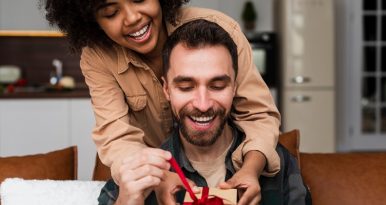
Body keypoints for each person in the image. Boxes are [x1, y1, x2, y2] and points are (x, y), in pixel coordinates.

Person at [41, 0, 281, 203]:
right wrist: (162, 177)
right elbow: (116, 136)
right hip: (158, 181)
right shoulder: (97, 56)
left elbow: (258, 115)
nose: (133, 18)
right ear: (93, 22)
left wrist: (250, 169)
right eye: (112, 12)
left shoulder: (219, 30)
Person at [98, 19, 311, 205]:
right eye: (186, 87)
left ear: (234, 87)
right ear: (167, 89)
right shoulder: (141, 173)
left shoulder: (278, 165)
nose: (202, 104)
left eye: (217, 86)